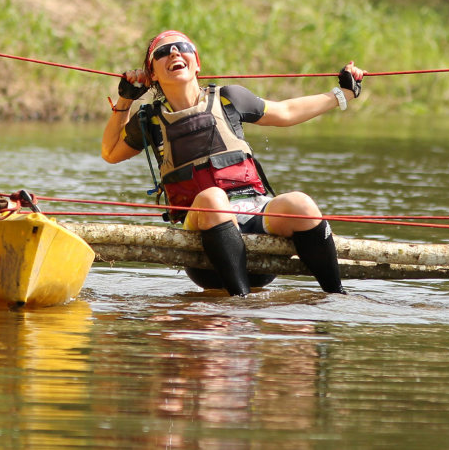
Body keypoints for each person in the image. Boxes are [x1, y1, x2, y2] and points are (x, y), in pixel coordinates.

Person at [101, 30, 365, 296]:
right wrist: (126, 99)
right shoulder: (150, 120)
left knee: (301, 203)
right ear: (153, 74)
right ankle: (241, 305)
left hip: (258, 223)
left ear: (197, 63)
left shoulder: (229, 98)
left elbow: (286, 112)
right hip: (206, 248)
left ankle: (337, 297)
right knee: (214, 198)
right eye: (162, 52)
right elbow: (110, 153)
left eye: (182, 47)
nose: (173, 53)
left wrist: (342, 94)